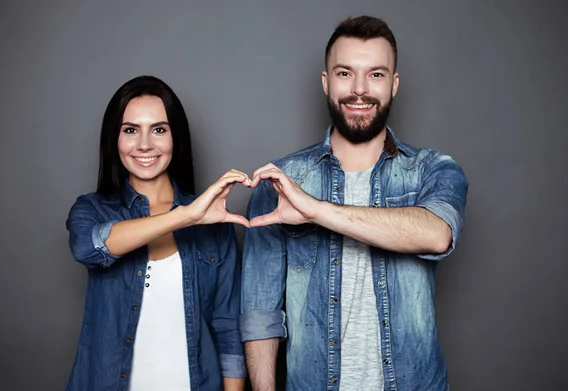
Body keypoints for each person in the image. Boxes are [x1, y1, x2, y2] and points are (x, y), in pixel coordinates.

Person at [240, 16, 469, 391]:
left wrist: (315, 210)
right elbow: (260, 314)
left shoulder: (433, 169)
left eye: (376, 75)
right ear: (326, 82)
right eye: (345, 73)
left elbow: (436, 234)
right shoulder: (279, 181)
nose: (360, 90)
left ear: (394, 85)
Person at [65, 75, 248, 391]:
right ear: (115, 139)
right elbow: (91, 248)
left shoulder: (216, 223)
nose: (145, 144)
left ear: (175, 138)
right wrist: (186, 216)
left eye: (159, 130)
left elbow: (227, 326)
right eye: (131, 130)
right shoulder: (92, 209)